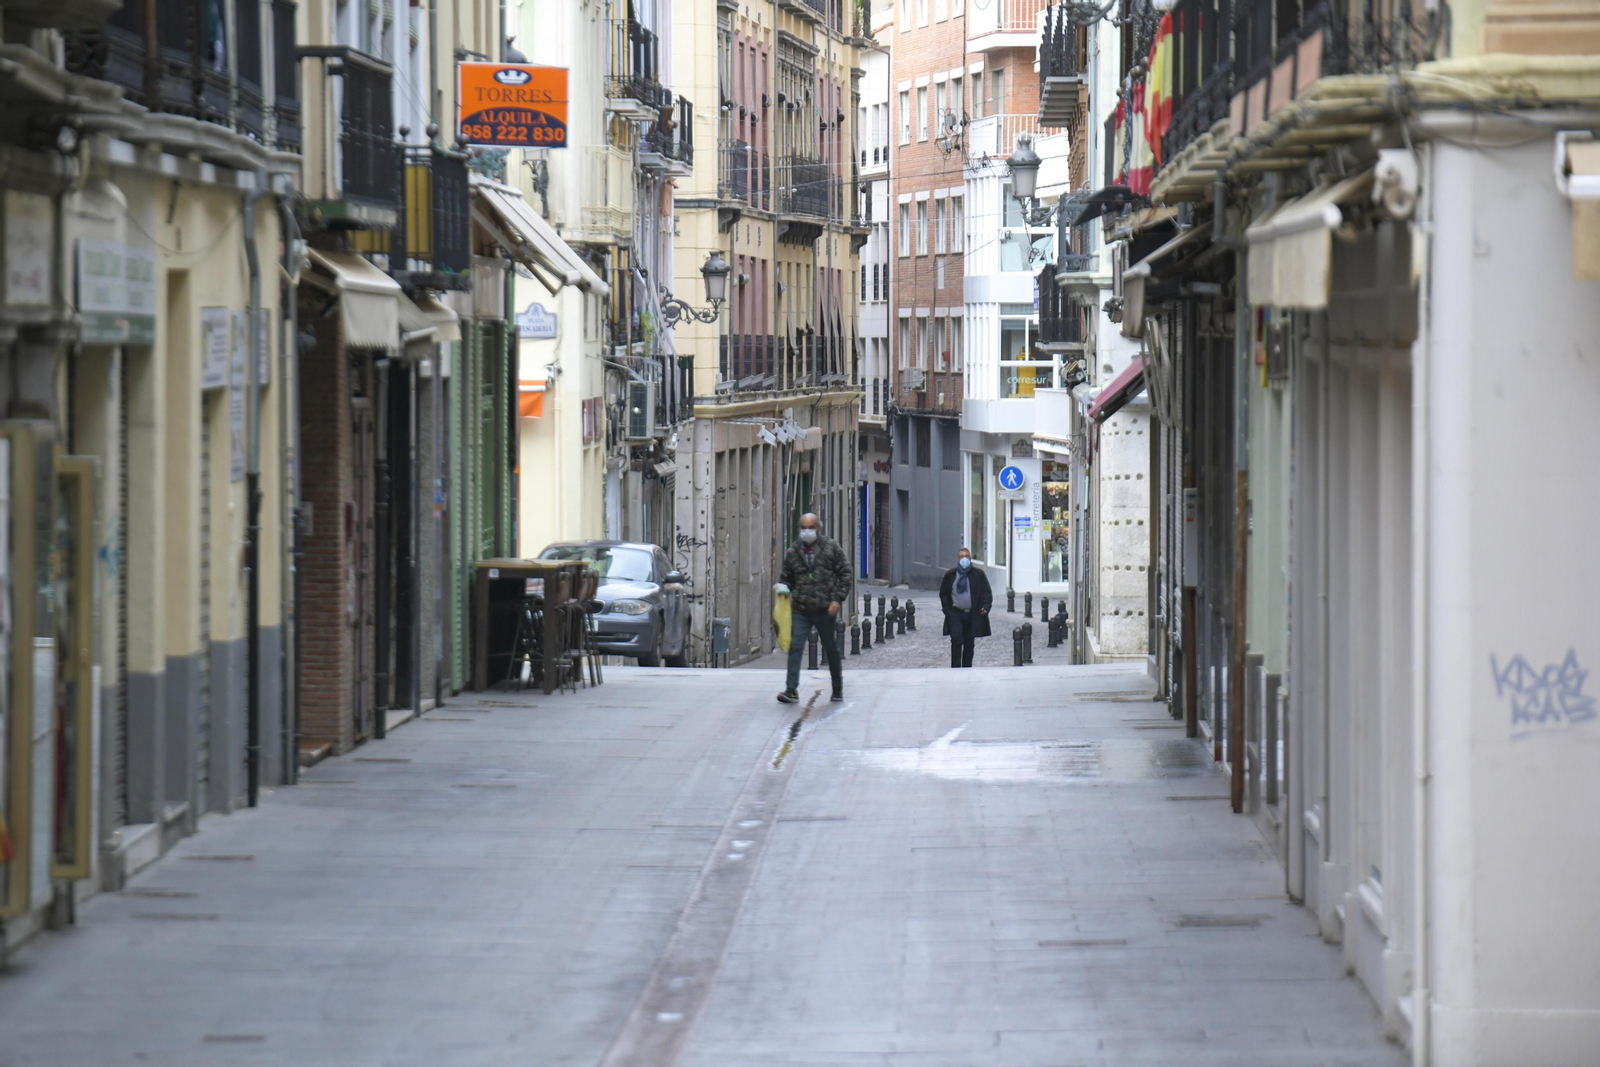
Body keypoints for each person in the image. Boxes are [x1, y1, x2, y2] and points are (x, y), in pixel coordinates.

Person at [775, 513, 852, 703]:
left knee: (831, 649)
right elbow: (787, 578)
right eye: (803, 527)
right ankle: (791, 689)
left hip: (825, 608)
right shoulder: (793, 552)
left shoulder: (831, 548)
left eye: (810, 527)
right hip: (801, 609)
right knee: (796, 646)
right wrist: (783, 588)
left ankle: (837, 688)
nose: (806, 531)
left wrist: (837, 599)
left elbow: (845, 574)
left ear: (818, 528)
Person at [939, 547, 992, 668]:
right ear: (958, 559)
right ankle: (955, 667)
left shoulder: (978, 574)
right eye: (962, 556)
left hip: (972, 614)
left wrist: (986, 607)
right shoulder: (951, 575)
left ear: (970, 558)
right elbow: (944, 593)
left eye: (966, 556)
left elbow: (986, 592)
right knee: (956, 639)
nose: (964, 559)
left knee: (969, 643)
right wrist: (947, 610)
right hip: (955, 613)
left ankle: (967, 668)